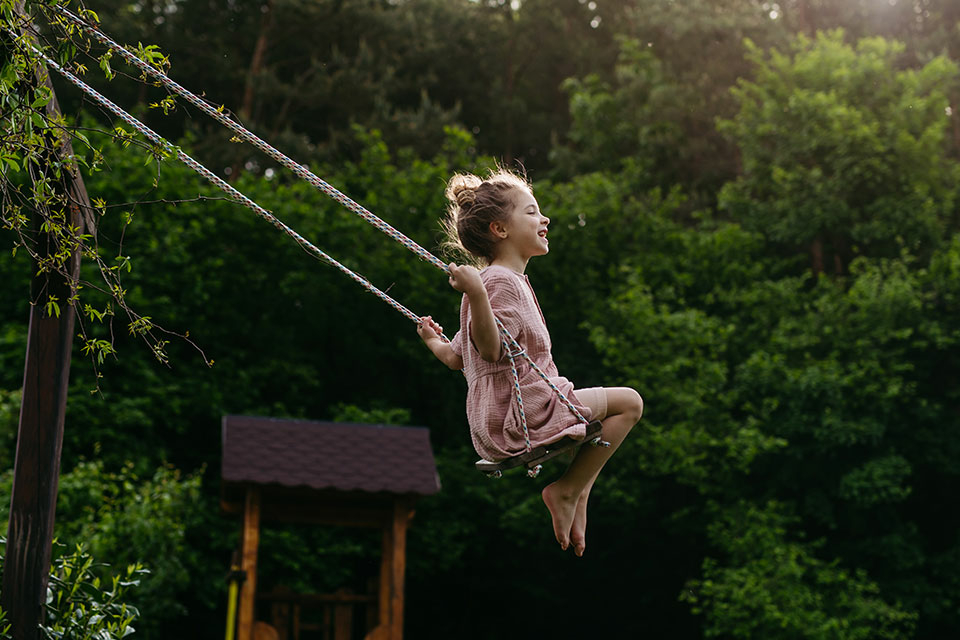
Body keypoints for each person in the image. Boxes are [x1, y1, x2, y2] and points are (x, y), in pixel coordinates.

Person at [418, 168, 643, 557]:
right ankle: (570, 489)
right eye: (532, 212)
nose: (545, 219)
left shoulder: (494, 283)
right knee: (629, 404)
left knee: (596, 428)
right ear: (500, 229)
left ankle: (578, 490)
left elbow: (457, 358)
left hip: (498, 419)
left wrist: (432, 341)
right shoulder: (497, 282)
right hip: (520, 414)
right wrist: (474, 290)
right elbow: (491, 351)